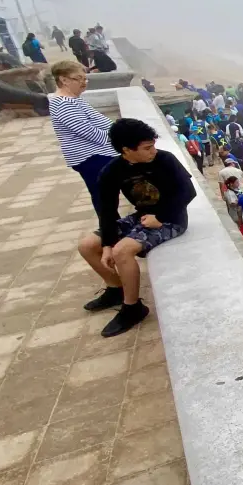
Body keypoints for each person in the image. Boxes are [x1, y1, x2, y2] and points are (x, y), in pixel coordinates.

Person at [78, 119, 195, 337]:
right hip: (141, 217)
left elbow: (187, 192)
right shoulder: (112, 171)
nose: (153, 151)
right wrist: (106, 244)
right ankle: (115, 289)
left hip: (171, 219)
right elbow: (107, 210)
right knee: (87, 245)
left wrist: (160, 217)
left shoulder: (165, 160)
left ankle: (132, 307)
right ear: (127, 150)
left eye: (153, 145)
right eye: (147, 148)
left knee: (123, 250)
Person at [49, 60, 118, 217]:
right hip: (91, 157)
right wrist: (118, 138)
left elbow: (100, 120)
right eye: (78, 78)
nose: (83, 82)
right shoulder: (63, 104)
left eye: (85, 78)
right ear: (63, 80)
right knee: (103, 196)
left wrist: (120, 129)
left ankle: (114, 227)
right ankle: (111, 231)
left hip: (97, 153)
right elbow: (88, 132)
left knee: (106, 195)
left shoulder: (74, 99)